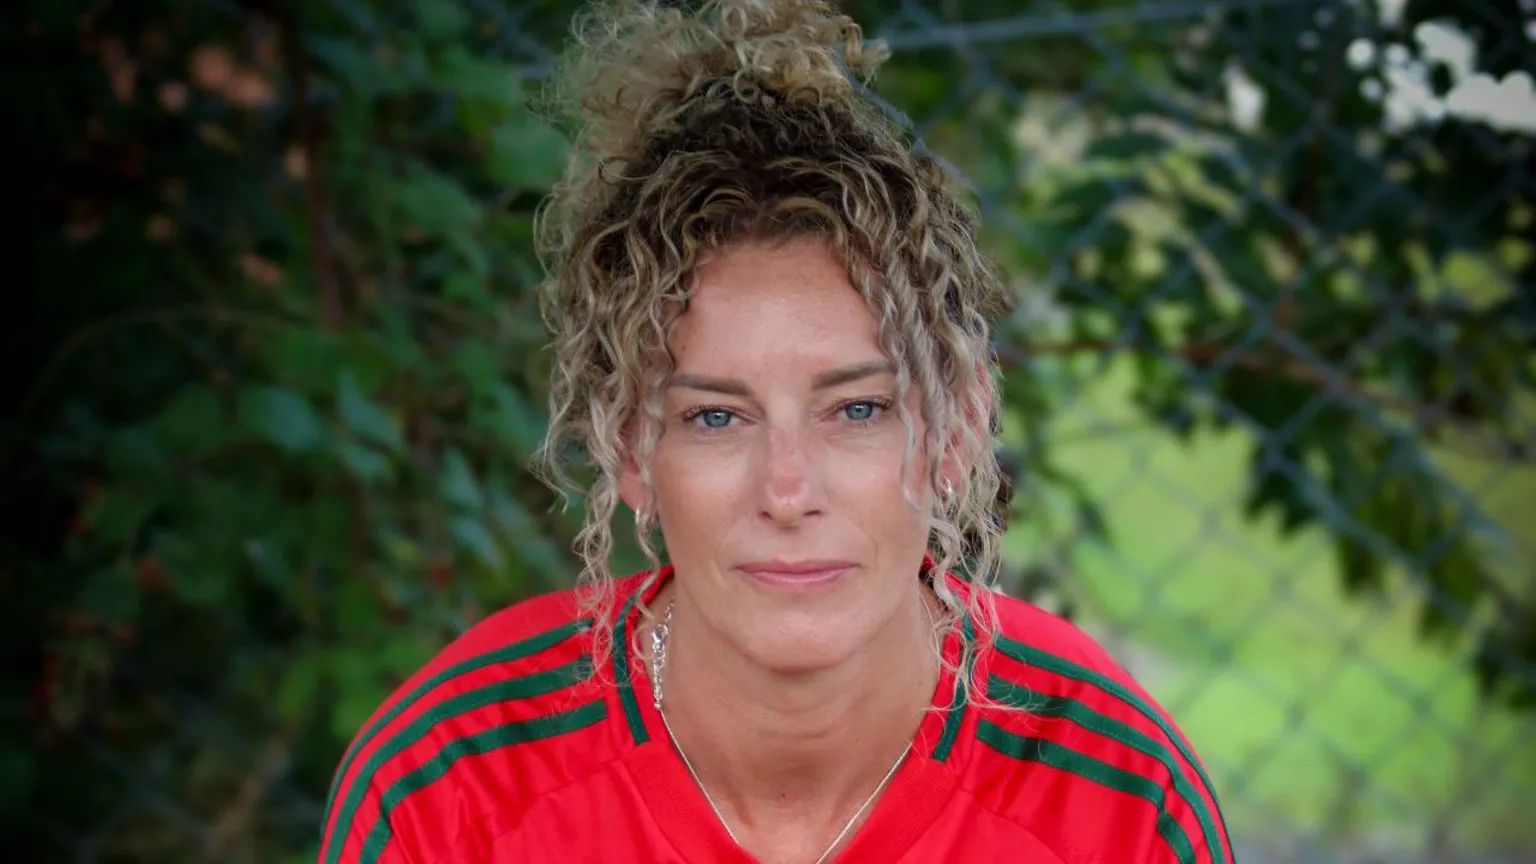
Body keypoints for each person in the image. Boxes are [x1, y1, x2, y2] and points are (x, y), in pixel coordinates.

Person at [317, 1, 1235, 862]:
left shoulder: (1112, 795)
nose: (788, 492)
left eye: (858, 410)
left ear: (958, 426)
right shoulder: (454, 787)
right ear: (629, 447)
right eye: (715, 417)